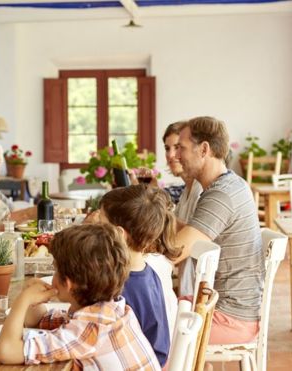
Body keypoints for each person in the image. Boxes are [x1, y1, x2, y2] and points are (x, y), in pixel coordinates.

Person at [0, 223, 160, 370]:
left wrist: (21, 302)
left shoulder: (91, 329)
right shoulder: (108, 310)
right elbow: (38, 321)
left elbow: (6, 351)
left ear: (67, 283)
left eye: (56, 269)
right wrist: (30, 294)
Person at [174, 116, 264, 345]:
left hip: (230, 318)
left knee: (152, 330)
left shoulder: (221, 195)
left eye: (181, 148)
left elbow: (174, 252)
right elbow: (192, 232)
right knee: (149, 313)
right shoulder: (231, 184)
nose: (175, 156)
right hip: (224, 306)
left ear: (204, 149)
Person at [99, 184, 180, 367]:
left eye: (101, 225)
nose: (96, 230)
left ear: (118, 234)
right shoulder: (147, 272)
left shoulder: (121, 287)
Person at [163, 121, 203, 296]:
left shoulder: (201, 190)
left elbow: (178, 248)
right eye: (167, 148)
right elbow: (173, 229)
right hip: (187, 287)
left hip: (197, 296)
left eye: (178, 147)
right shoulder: (187, 190)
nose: (172, 155)